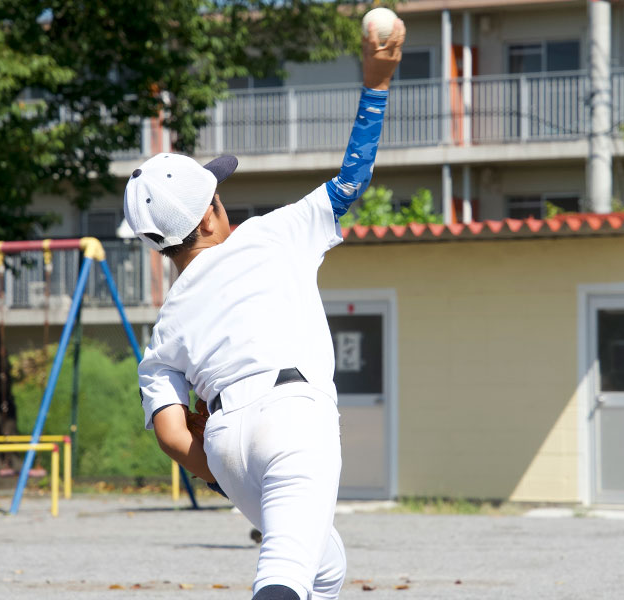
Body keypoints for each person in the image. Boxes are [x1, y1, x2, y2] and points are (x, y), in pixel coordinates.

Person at [123, 19, 405, 600]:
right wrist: (377, 83)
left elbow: (176, 439)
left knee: (324, 567)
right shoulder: (271, 234)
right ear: (207, 217)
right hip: (292, 415)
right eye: (217, 196)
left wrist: (226, 470)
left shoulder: (165, 329)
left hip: (225, 442)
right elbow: (352, 180)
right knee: (283, 577)